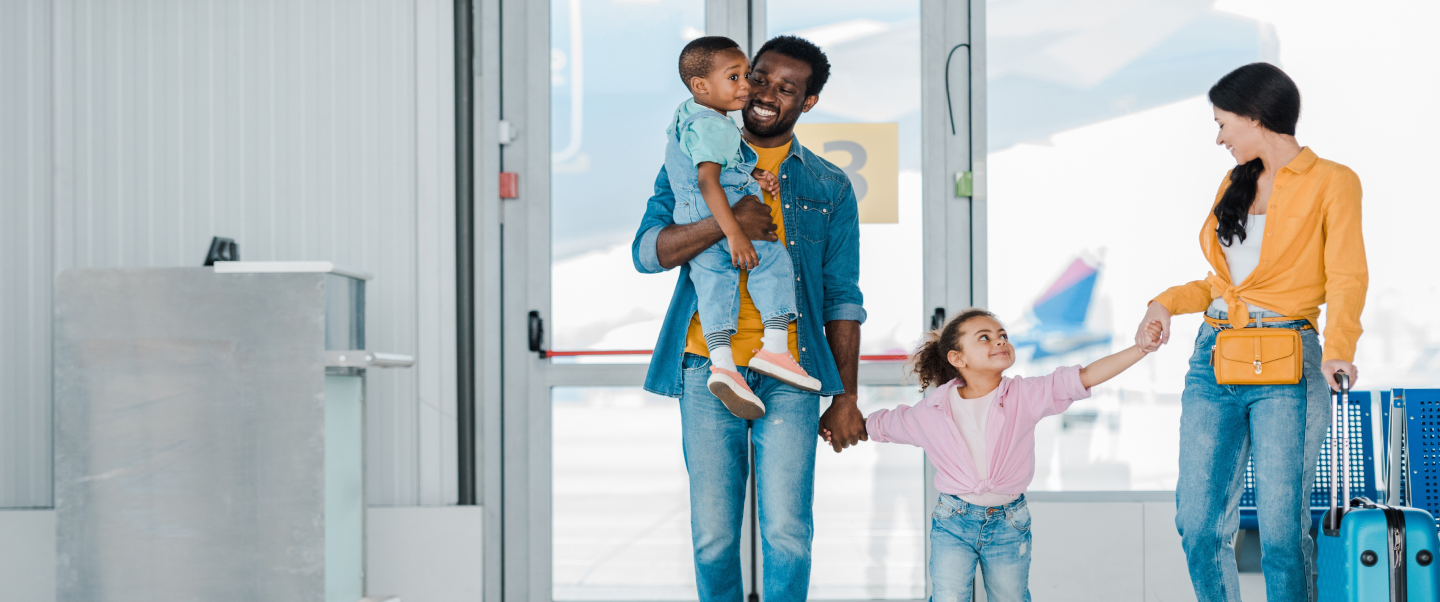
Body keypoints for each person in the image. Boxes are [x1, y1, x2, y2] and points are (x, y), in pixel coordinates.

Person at [630, 35, 867, 602]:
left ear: (806, 104)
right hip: (706, 371)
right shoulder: (691, 157)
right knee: (714, 537)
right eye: (758, 78)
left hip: (792, 375)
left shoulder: (829, 186)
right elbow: (647, 253)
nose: (766, 94)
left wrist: (846, 396)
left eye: (788, 88)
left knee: (788, 533)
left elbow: (842, 297)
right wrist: (726, 222)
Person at [1133, 62, 1367, 602]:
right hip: (1215, 356)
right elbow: (1224, 283)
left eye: (1222, 123)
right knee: (1197, 523)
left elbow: (1348, 275)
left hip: (1289, 359)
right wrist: (1165, 303)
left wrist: (1339, 351)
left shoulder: (1333, 181)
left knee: (1282, 534)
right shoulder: (1233, 182)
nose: (1218, 137)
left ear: (1255, 116)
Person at [852, 309, 1160, 601]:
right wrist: (840, 423)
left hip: (1009, 524)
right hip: (952, 523)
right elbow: (885, 423)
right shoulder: (931, 410)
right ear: (957, 358)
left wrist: (1140, 349)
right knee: (948, 597)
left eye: (1002, 335)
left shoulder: (1025, 395)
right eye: (984, 337)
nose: (1000, 340)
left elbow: (1085, 376)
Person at [664, 35, 819, 419]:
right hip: (725, 216)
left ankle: (723, 365)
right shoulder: (717, 125)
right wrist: (733, 231)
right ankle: (777, 348)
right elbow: (709, 180)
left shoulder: (689, 115)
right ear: (701, 85)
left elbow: (711, 164)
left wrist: (754, 173)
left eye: (745, 75)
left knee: (714, 287)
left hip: (693, 220)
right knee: (772, 260)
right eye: (738, 78)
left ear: (808, 101)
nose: (749, 88)